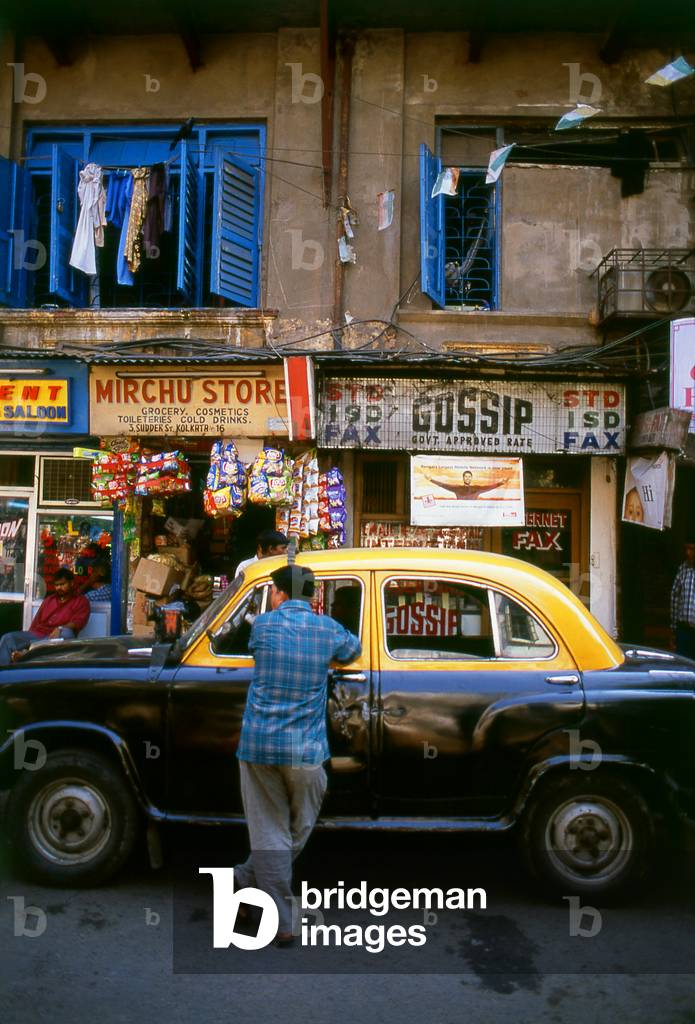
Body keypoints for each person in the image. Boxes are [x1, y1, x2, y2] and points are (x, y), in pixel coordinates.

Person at [233, 564, 361, 946]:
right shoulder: (327, 630)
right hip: (306, 751)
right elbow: (352, 650)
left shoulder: (263, 627)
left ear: (278, 593)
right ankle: (281, 919)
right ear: (311, 596)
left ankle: (243, 880)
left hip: (259, 745)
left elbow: (250, 645)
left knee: (271, 832)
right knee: (296, 829)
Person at [0, 568, 91, 666]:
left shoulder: (81, 601)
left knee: (67, 633)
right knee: (8, 638)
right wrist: (27, 636)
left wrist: (60, 628)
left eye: (62, 584)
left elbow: (79, 622)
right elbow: (36, 622)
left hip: (56, 637)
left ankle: (28, 652)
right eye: (56, 585)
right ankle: (4, 674)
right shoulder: (49, 600)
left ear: (71, 583)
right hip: (38, 635)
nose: (59, 588)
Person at [671, 539, 695, 659]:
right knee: (683, 663)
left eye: (692, 549)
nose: (687, 553)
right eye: (687, 549)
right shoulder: (683, 569)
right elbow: (675, 597)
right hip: (684, 630)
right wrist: (674, 627)